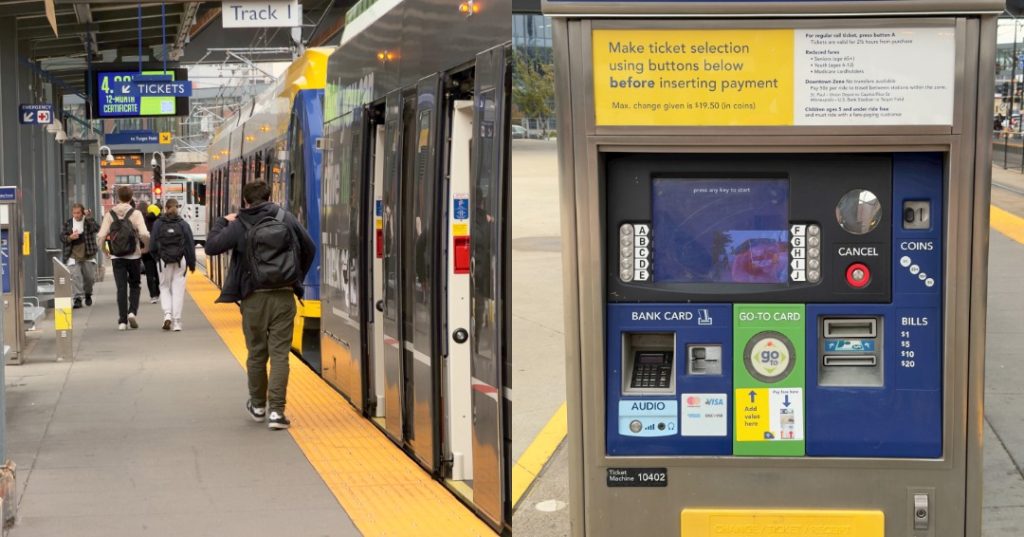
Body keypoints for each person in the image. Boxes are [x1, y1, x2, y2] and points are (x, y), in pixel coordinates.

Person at [204, 181, 316, 430]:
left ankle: (257, 405)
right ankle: (277, 412)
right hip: (284, 296)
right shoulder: (284, 218)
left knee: (256, 353)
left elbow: (211, 247)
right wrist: (295, 277)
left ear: (245, 201)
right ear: (269, 196)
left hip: (253, 297)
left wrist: (223, 221)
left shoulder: (239, 223)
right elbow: (309, 247)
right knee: (279, 355)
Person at [97, 186, 150, 331]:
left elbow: (101, 236)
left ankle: (122, 321)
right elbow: (145, 233)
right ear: (131, 197)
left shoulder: (110, 214)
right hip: (134, 255)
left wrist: (105, 251)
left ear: (118, 197)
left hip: (117, 256)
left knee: (121, 288)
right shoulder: (136, 213)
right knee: (134, 285)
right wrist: (146, 247)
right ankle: (132, 312)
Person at [150, 199, 196, 332]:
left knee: (164, 287)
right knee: (178, 290)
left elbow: (152, 244)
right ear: (177, 207)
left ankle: (167, 315)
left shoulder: (158, 224)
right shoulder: (183, 224)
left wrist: (157, 258)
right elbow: (190, 245)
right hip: (180, 261)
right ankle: (177, 322)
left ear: (166, 208)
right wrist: (191, 263)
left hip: (163, 261)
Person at [60, 203, 100, 308]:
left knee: (90, 278)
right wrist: (70, 238)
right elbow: (62, 237)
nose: (76, 215)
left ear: (82, 213)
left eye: (78, 213)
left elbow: (96, 228)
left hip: (88, 254)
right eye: (74, 213)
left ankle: (88, 293)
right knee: (75, 277)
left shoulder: (87, 222)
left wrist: (89, 217)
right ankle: (77, 298)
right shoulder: (68, 223)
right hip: (73, 255)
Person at [139, 201, 161, 304]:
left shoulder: (143, 222)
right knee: (158, 273)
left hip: (146, 252)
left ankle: (153, 295)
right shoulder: (160, 222)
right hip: (158, 252)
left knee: (149, 273)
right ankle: (158, 291)